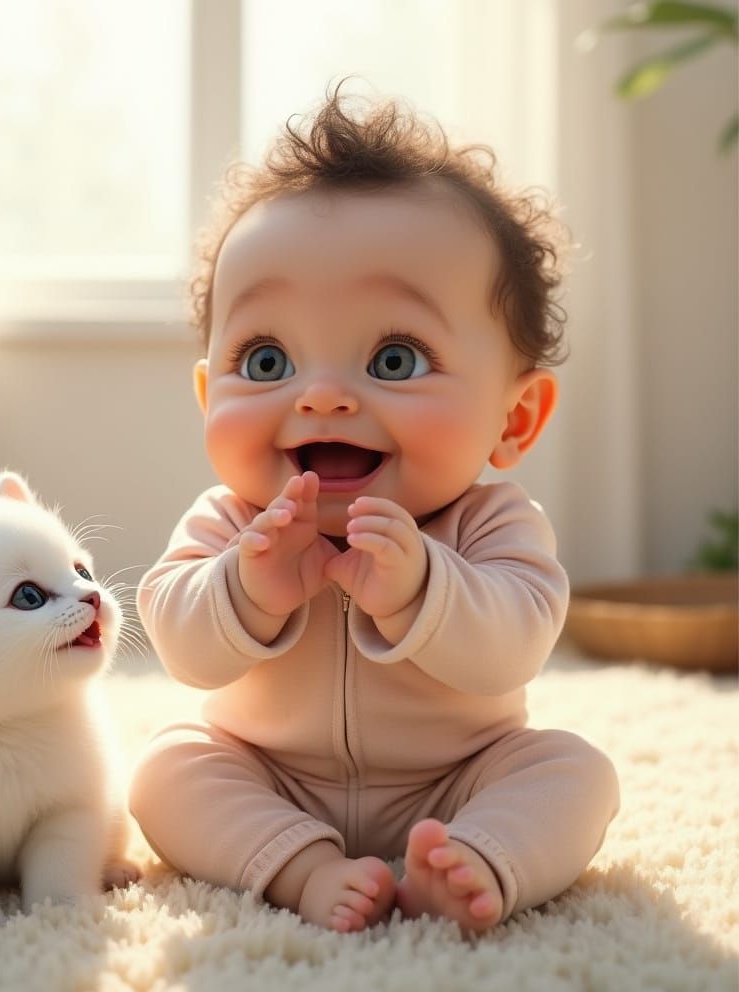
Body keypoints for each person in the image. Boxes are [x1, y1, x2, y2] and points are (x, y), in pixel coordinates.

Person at [129, 90, 619, 934]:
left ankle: (477, 859)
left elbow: (514, 646)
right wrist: (246, 588)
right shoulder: (233, 522)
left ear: (514, 419)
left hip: (458, 776)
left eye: (395, 359)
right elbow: (183, 648)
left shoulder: (493, 523)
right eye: (267, 358)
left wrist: (423, 587)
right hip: (270, 773)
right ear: (210, 394)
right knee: (165, 770)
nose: (321, 396)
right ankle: (301, 867)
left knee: (576, 772)